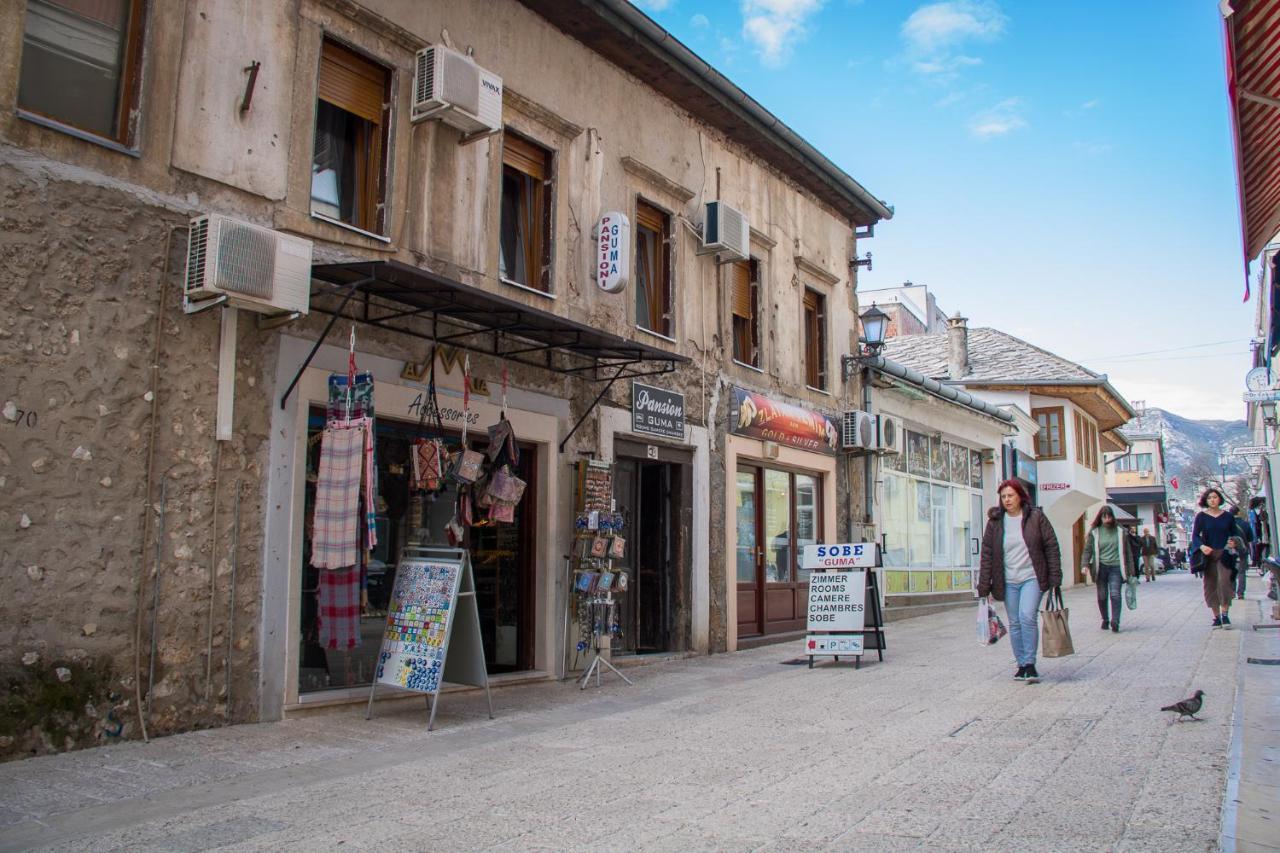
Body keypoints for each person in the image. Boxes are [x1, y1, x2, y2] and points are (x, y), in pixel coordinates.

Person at [978, 479, 1062, 684]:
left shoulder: (1035, 517)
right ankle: (1021, 664)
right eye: (1003, 496)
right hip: (1007, 580)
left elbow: (1051, 546)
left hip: (1031, 577)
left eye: (1010, 495)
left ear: (1020, 496)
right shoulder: (995, 522)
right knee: (1015, 622)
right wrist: (983, 585)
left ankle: (1031, 663)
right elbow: (987, 554)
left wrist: (1055, 576)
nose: (1007, 500)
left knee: (1027, 616)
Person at [1082, 505, 1135, 633]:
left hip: (1116, 567)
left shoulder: (1120, 531)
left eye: (1109, 516)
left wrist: (1131, 571)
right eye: (1104, 516)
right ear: (1100, 517)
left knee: (1115, 594)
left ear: (1112, 517)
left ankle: (1115, 620)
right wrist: (1084, 565)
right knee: (1102, 596)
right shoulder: (1095, 532)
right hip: (1100, 567)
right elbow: (1087, 550)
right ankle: (1105, 619)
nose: (1107, 519)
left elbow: (1127, 552)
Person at [1191, 488, 1238, 628]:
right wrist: (1201, 546)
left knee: (1224, 583)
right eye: (1209, 498)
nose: (1212, 500)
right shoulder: (1201, 517)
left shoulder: (1228, 517)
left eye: (1215, 497)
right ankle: (1216, 617)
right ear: (1206, 500)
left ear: (1219, 499)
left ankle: (1225, 614)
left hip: (1224, 554)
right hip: (1208, 555)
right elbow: (1195, 535)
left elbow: (1235, 534)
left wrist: (1233, 542)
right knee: (1210, 585)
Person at [1229, 535, 1250, 600]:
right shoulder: (1242, 549)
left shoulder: (1233, 550)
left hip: (1238, 563)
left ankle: (1234, 593)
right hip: (1240, 563)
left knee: (1237, 577)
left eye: (1230, 543)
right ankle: (1240, 593)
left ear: (1235, 543)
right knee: (1240, 576)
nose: (1229, 544)